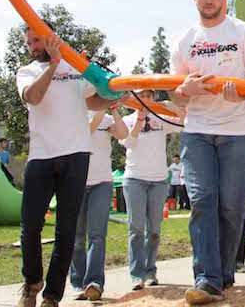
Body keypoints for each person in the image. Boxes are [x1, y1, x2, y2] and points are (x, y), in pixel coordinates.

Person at [170, 0, 245, 305]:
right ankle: (207, 278)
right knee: (201, 200)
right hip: (197, 130)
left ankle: (223, 272)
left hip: (237, 131)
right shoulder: (184, 40)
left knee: (230, 206)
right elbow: (176, 96)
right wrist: (185, 89)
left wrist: (242, 94)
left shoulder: (244, 32)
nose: (209, 1)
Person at [15, 25, 111, 307]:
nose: (32, 45)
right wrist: (54, 65)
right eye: (29, 41)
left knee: (66, 230)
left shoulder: (75, 67)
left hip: (76, 154)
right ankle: (32, 282)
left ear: (50, 37)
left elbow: (96, 99)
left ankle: (51, 296)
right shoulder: (27, 71)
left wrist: (116, 92)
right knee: (30, 226)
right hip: (41, 156)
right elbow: (33, 97)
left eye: (37, 39)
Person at [69, 102, 130, 300]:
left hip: (102, 182)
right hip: (76, 182)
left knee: (97, 235)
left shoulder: (107, 117)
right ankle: (78, 282)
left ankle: (94, 282)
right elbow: (86, 131)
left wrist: (114, 110)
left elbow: (123, 134)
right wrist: (101, 109)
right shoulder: (76, 112)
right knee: (77, 237)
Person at [122, 91, 180, 291]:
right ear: (133, 98)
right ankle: (136, 274)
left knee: (154, 231)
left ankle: (150, 271)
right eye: (141, 95)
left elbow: (185, 120)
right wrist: (139, 118)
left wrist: (170, 106)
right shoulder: (127, 119)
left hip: (158, 180)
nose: (146, 98)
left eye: (149, 95)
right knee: (136, 229)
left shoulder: (160, 118)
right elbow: (128, 142)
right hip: (134, 179)